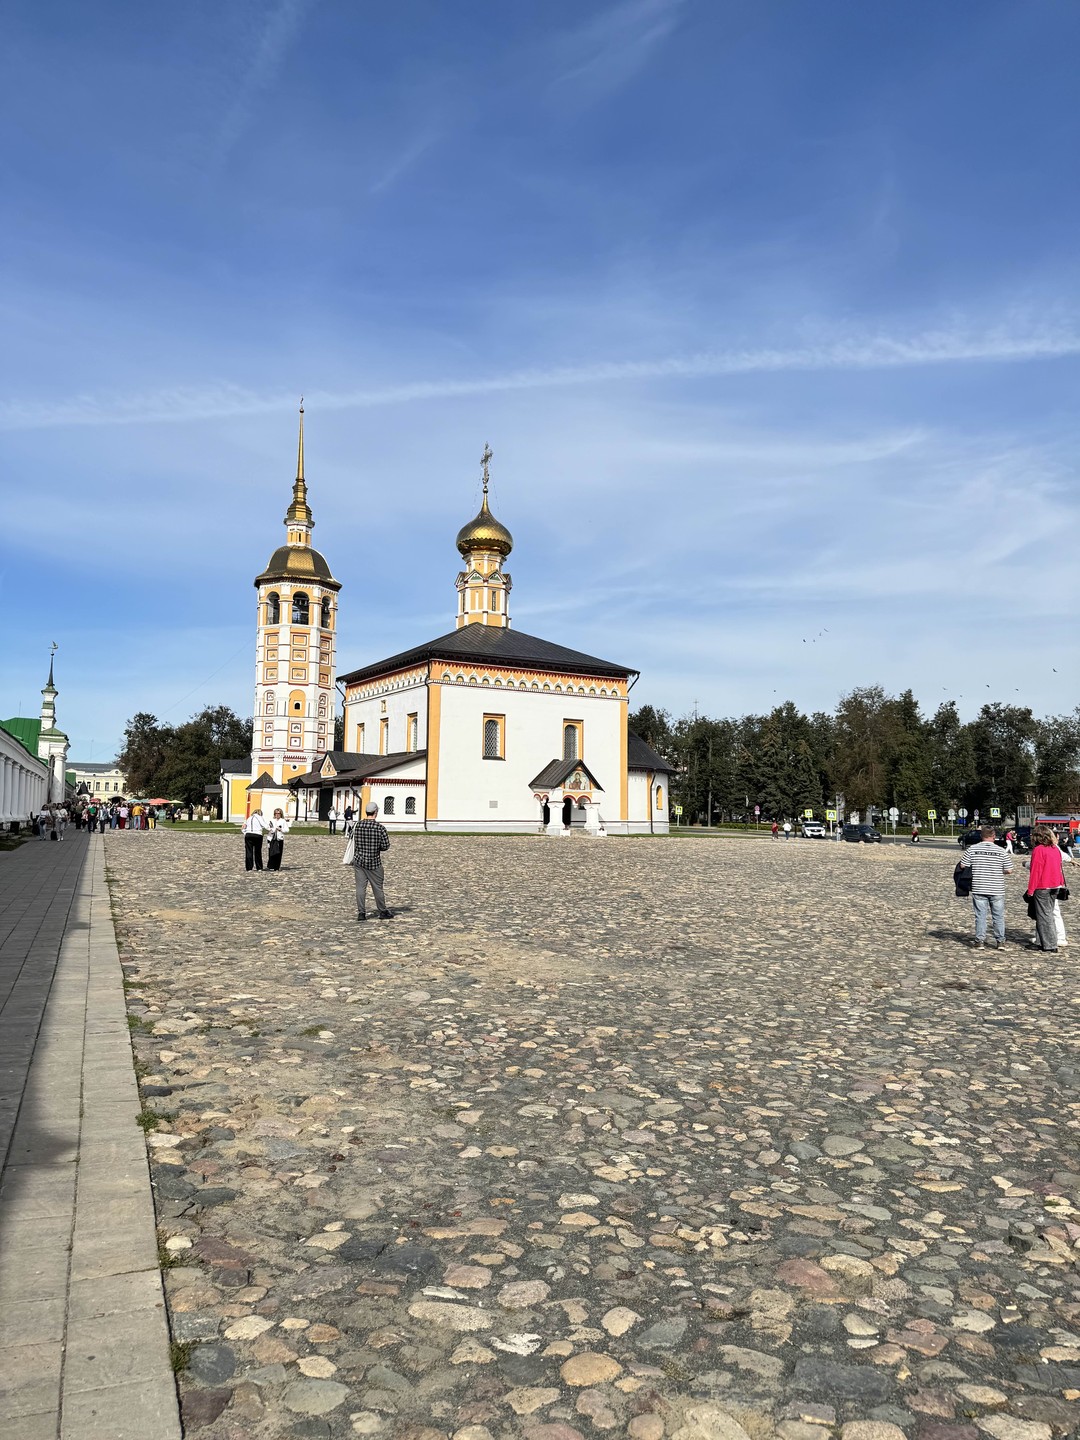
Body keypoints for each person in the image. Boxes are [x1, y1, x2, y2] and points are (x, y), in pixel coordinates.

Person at [958, 823, 1013, 948]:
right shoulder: (1001, 851)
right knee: (998, 916)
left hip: (979, 886)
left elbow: (962, 865)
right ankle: (1000, 941)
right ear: (993, 836)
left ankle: (980, 941)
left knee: (980, 915)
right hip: (997, 888)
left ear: (981, 836)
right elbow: (1009, 870)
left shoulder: (972, 849)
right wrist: (999, 870)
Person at [1024, 825, 1066, 953]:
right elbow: (1058, 867)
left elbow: (1036, 871)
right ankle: (1041, 940)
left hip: (1042, 886)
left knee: (1044, 916)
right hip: (1055, 885)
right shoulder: (1055, 849)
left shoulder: (1039, 850)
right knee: (1045, 914)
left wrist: (1030, 889)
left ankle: (1049, 944)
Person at [350, 801, 393, 920]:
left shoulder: (357, 825)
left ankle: (361, 913)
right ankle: (382, 911)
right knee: (377, 888)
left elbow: (352, 839)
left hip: (359, 861)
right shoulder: (380, 828)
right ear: (376, 812)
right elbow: (385, 846)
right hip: (374, 862)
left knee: (360, 888)